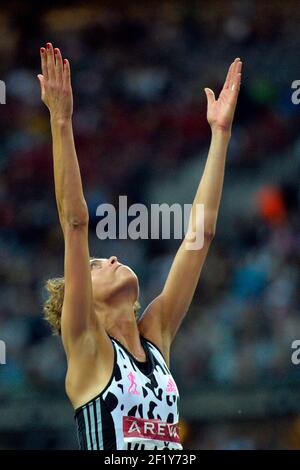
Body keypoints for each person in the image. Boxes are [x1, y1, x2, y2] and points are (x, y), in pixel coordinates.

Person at [38, 42, 242, 450]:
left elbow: (199, 237)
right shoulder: (87, 347)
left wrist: (220, 135)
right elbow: (76, 223)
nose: (111, 257)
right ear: (82, 302)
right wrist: (61, 121)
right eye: (96, 266)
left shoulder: (156, 336)